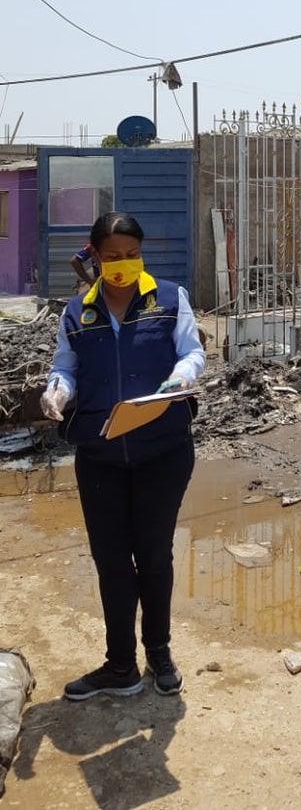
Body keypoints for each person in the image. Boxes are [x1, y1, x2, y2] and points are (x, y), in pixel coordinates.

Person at [40, 211, 205, 702]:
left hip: (163, 450)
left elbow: (191, 353)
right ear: (96, 256)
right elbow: (65, 367)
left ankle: (158, 651)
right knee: (111, 561)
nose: (123, 264)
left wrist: (182, 378)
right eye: (113, 257)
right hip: (99, 454)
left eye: (132, 255)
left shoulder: (171, 299)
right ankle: (120, 665)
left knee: (154, 555)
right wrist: (56, 392)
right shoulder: (78, 313)